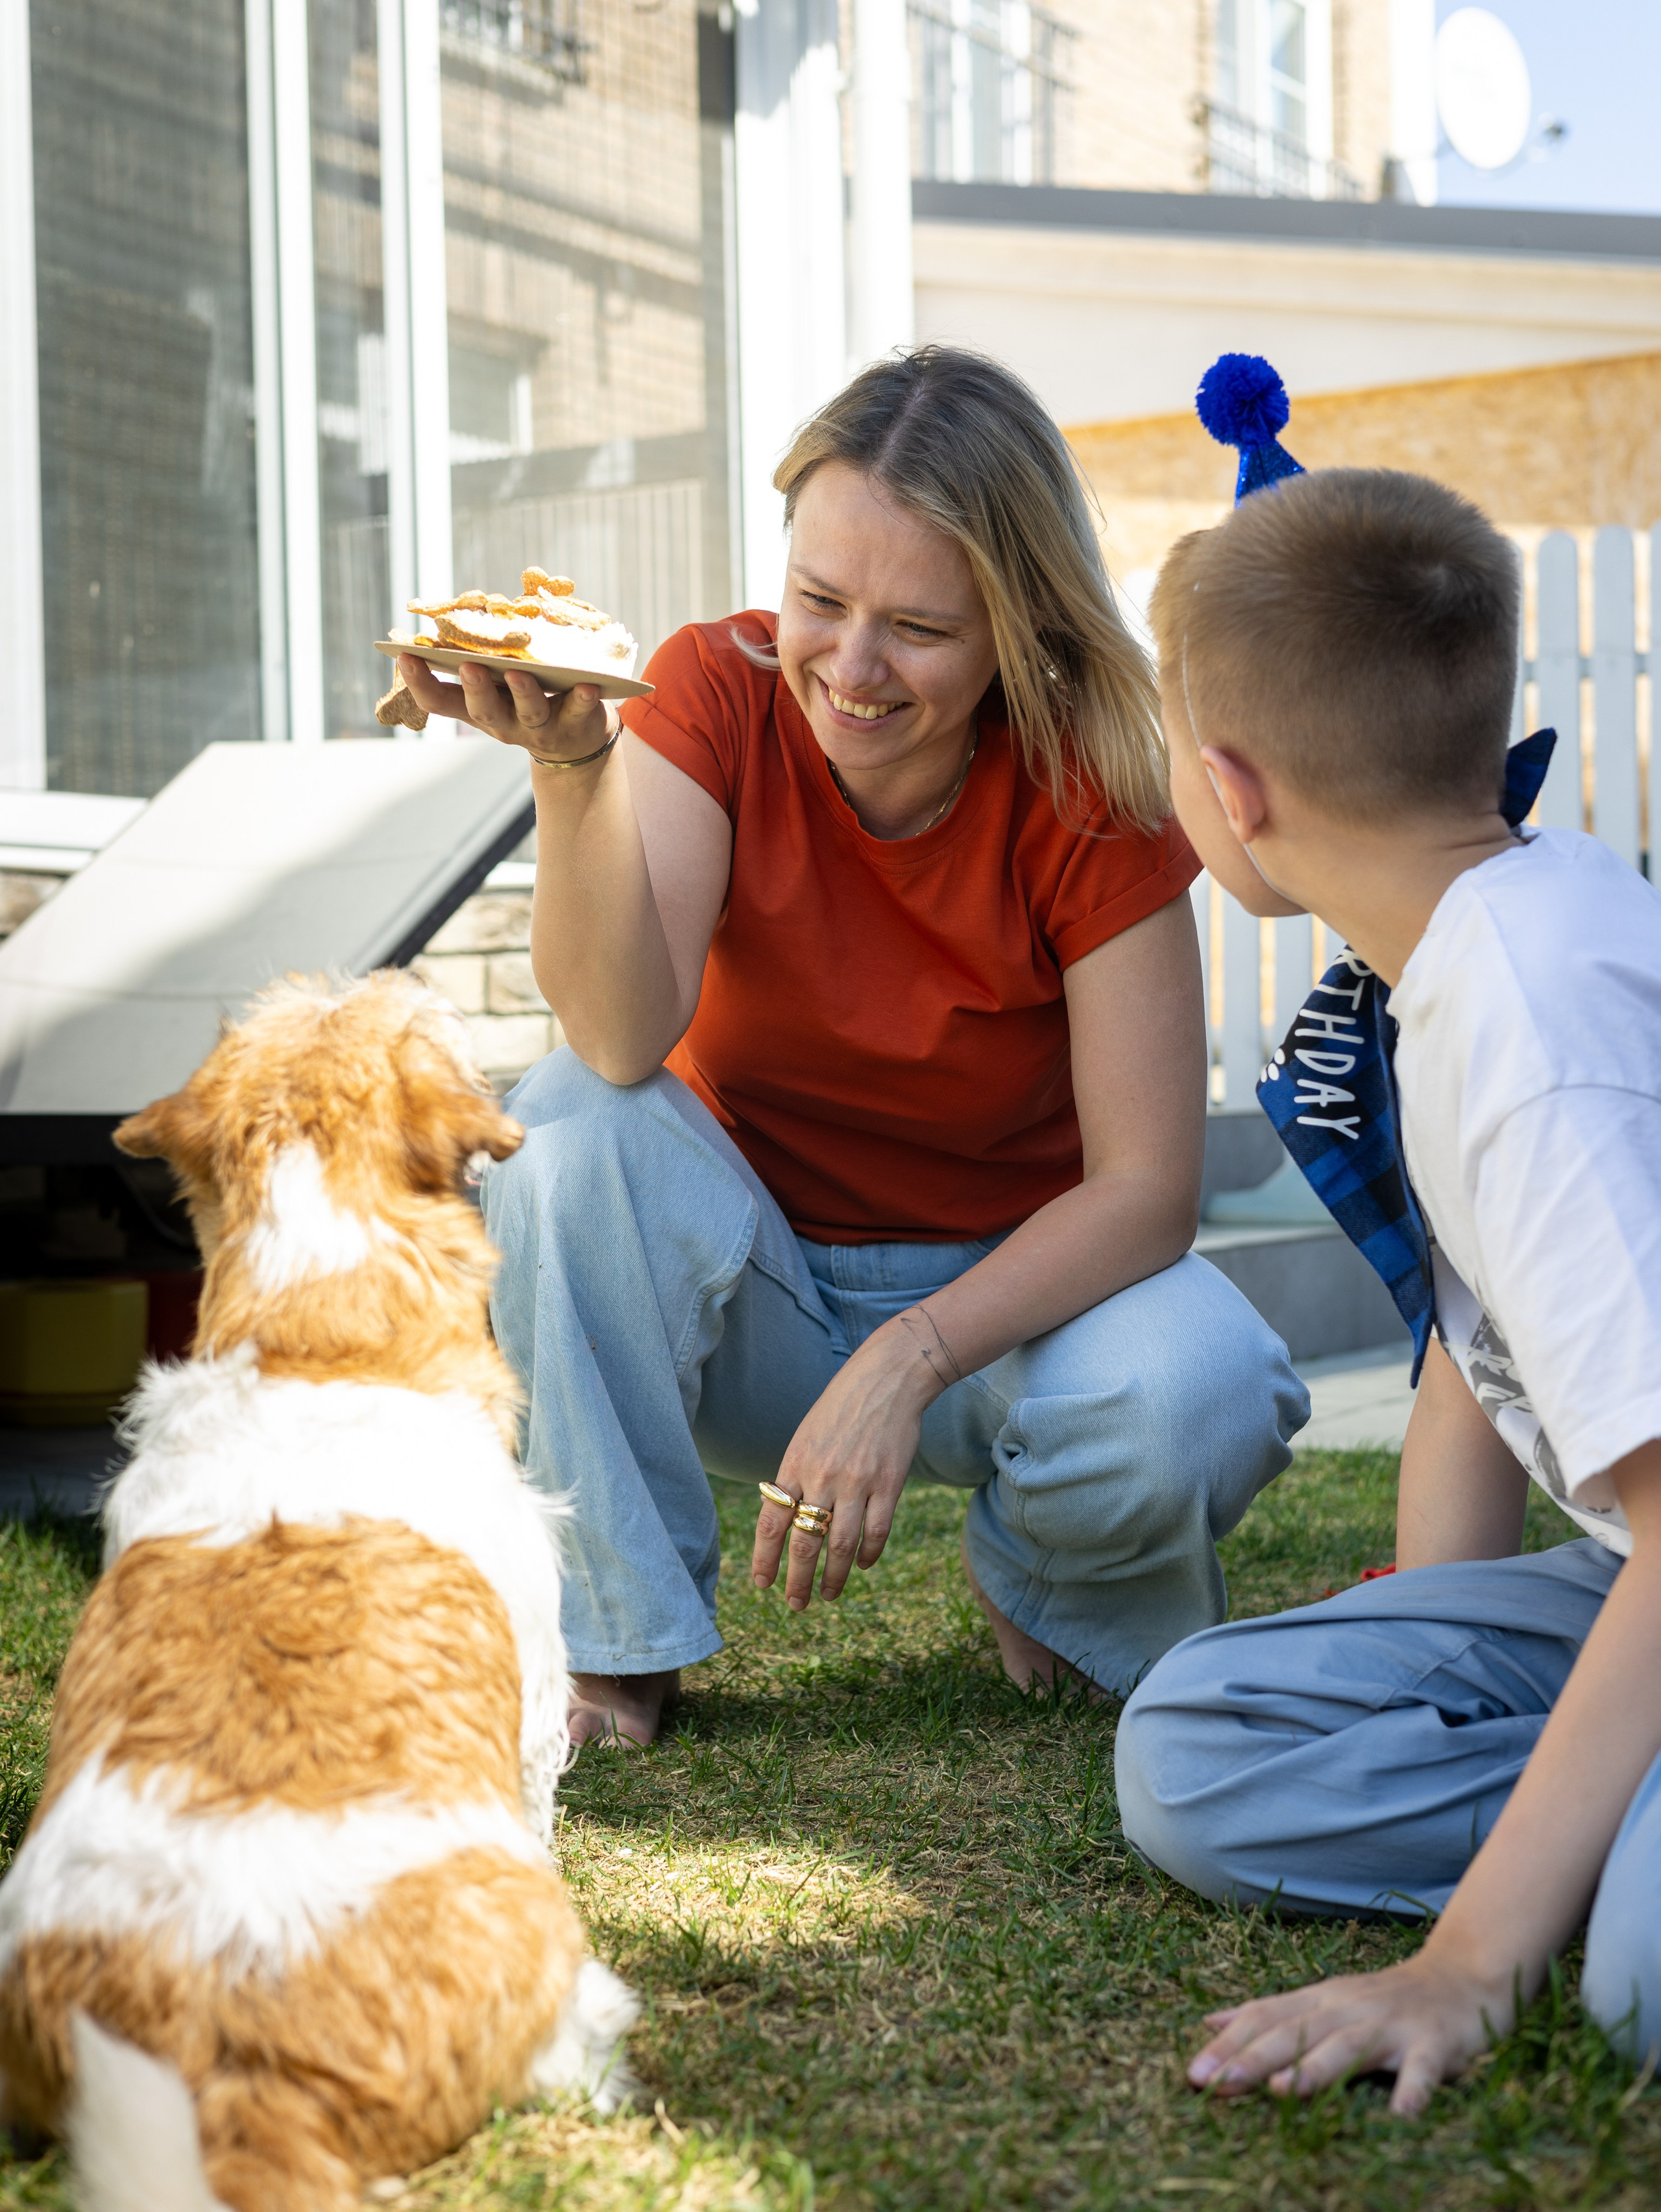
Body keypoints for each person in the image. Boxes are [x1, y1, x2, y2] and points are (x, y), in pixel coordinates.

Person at [396, 346, 1305, 1750]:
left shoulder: (1088, 783)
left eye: (920, 629)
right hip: (749, 1302)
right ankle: (615, 1644)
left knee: (1209, 1386)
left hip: (1013, 1322)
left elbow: (1145, 1192)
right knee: (568, 1121)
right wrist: (573, 772)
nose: (850, 667)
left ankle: (1046, 1573)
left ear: (1015, 623)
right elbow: (622, 1032)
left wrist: (912, 1356)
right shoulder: (715, 686)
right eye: (818, 601)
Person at [1114, 459, 1661, 2108]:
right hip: (1616, 1584)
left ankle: (1584, 1879)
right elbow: (1470, 1359)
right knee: (1189, 1744)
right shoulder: (1461, 945)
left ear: (1228, 785)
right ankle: (1601, 1828)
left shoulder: (1534, 1032)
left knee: (1633, 1988)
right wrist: (1434, 1633)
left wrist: (1465, 1958)